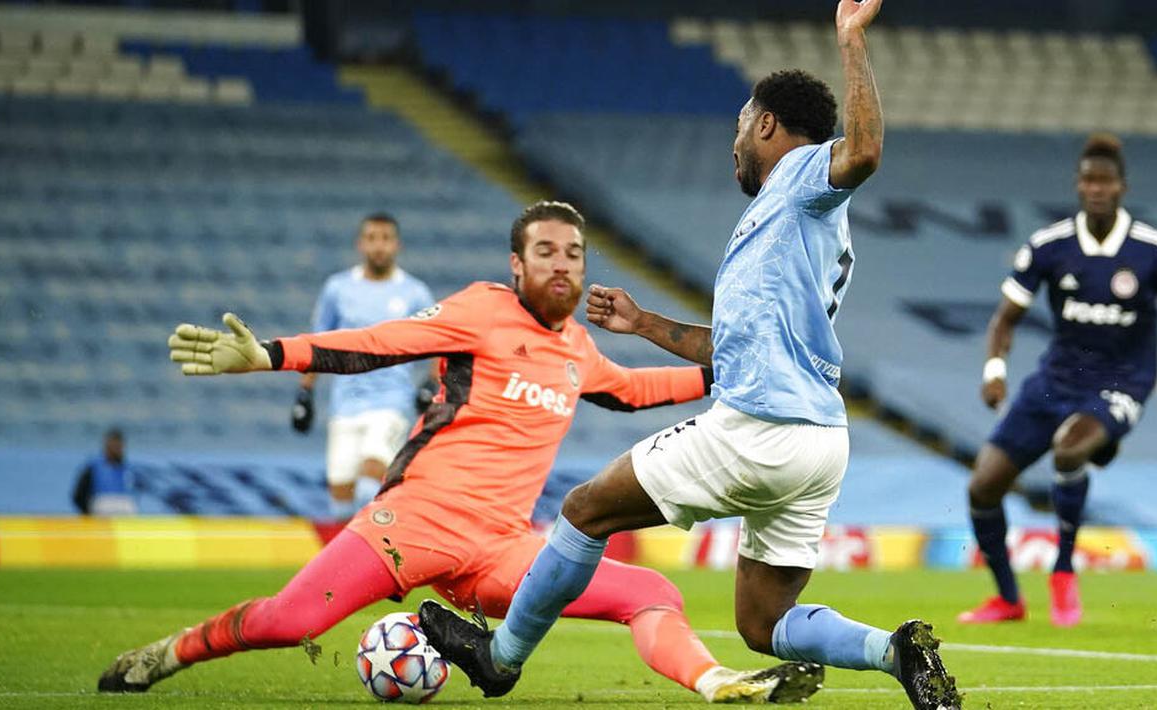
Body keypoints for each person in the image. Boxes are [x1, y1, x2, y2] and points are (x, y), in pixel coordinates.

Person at [416, 3, 962, 710]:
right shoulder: (787, 221)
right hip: (819, 442)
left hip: (760, 430)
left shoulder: (798, 176)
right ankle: (893, 651)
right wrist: (645, 324)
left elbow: (861, 153)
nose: (733, 139)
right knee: (761, 625)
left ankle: (500, 657)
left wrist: (850, 42)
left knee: (584, 510)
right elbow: (732, 347)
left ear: (766, 123)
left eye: (740, 123)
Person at [98, 201, 826, 704]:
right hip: (413, 523)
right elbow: (380, 344)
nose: (563, 267)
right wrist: (272, 355)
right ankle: (167, 654)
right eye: (545, 253)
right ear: (516, 265)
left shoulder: (574, 346)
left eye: (573, 254)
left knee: (651, 594)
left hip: (501, 548)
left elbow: (631, 389)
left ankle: (714, 682)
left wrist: (729, 371)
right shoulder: (481, 308)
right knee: (288, 623)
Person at [958, 133, 1157, 627]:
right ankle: (1008, 599)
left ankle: (1064, 572)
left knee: (1068, 450)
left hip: (1123, 379)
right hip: (1056, 379)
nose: (1096, 189)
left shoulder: (1154, 250)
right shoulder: (1049, 246)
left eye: (1105, 181)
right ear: (1078, 185)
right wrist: (995, 370)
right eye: (1088, 180)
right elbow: (1005, 319)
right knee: (982, 487)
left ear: (1122, 187)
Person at [292, 213, 438, 520]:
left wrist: (430, 384)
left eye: (385, 239)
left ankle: (379, 560)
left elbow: (439, 343)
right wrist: (305, 393)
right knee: (341, 509)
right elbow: (317, 342)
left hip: (391, 403)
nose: (379, 246)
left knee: (367, 489)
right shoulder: (338, 289)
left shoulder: (414, 292)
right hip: (345, 405)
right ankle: (352, 567)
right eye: (372, 238)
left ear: (396, 245)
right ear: (361, 244)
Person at [71, 429, 135, 516]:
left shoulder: (129, 469)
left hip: (125, 510)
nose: (116, 449)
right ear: (106, 446)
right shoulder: (93, 467)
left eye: (119, 446)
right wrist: (87, 515)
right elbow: (78, 496)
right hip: (101, 507)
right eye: (113, 445)